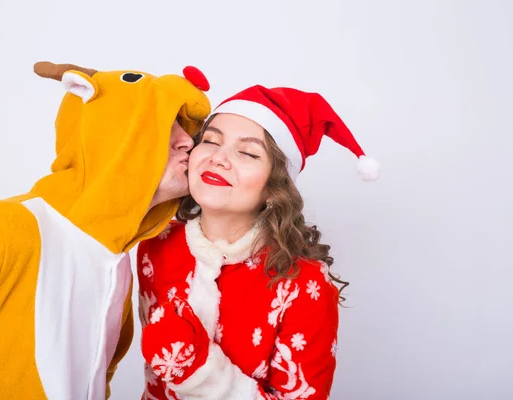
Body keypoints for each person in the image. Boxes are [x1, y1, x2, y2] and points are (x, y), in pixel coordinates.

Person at [0, 61, 211, 399]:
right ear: (113, 137)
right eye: (165, 126)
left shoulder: (116, 265)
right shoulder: (0, 231)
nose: (188, 142)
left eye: (186, 129)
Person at [137, 84, 380, 399]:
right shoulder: (156, 243)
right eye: (210, 141)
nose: (218, 158)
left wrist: (200, 373)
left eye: (248, 152)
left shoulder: (304, 283)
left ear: (274, 187)